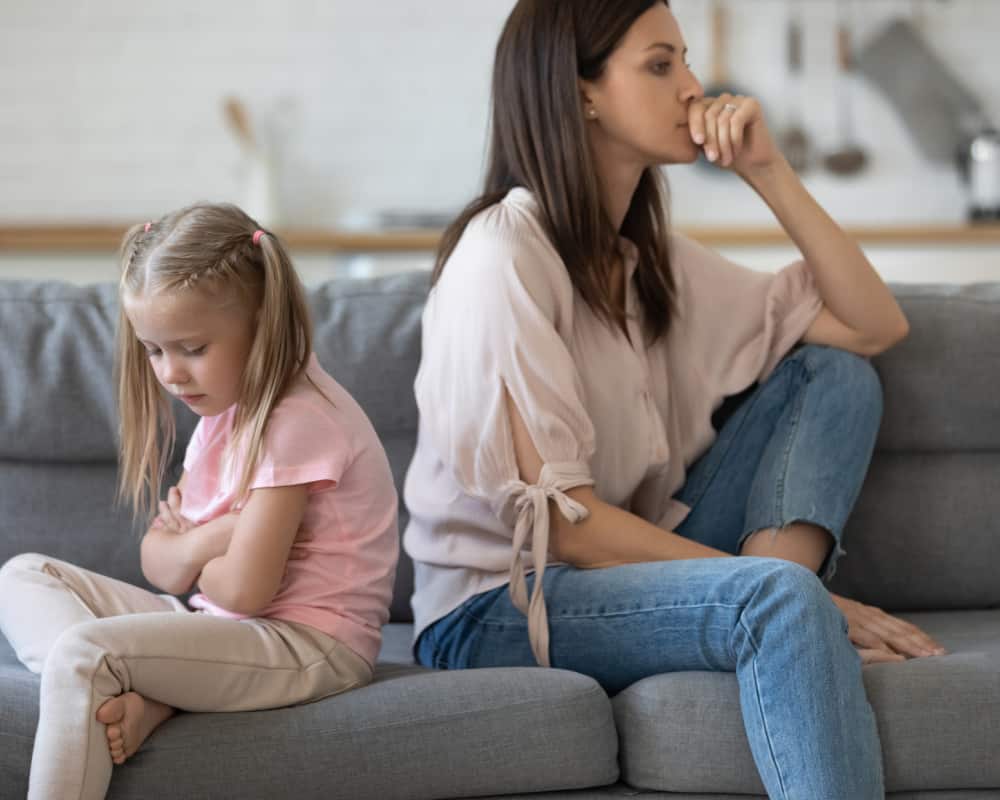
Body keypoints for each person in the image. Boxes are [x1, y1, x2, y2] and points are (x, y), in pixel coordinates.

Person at [403, 1, 945, 797]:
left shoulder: (645, 261)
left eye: (685, 61)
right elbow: (564, 528)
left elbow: (872, 326)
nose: (694, 89)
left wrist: (769, 169)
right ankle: (776, 616)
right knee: (781, 599)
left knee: (833, 374)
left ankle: (767, 621)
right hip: (498, 606)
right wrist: (781, 595)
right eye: (661, 65)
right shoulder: (503, 256)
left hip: (620, 560)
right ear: (581, 90)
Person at [0, 203, 399, 800]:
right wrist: (215, 537)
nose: (170, 374)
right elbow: (157, 563)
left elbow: (244, 591)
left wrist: (189, 547)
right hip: (221, 627)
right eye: (154, 350)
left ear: (262, 324)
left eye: (190, 347)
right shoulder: (220, 411)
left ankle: (118, 686)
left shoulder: (298, 419)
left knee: (86, 650)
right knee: (21, 576)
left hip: (308, 645)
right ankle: (141, 693)